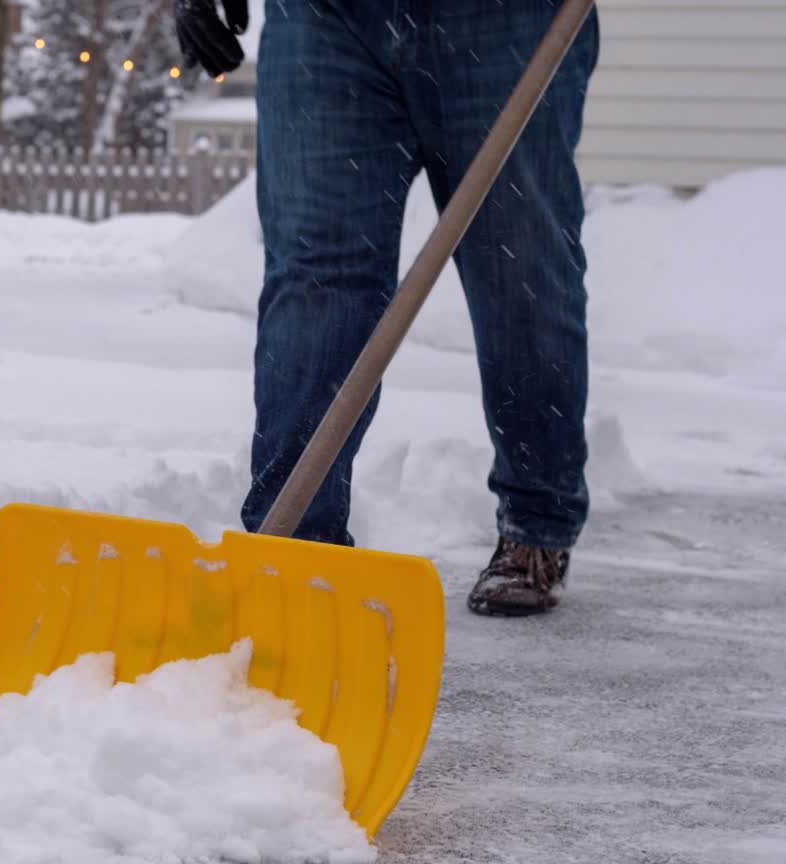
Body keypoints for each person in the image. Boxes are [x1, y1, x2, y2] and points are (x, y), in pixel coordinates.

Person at [174, 0, 600, 616]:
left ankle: (538, 522)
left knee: (519, 270)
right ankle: (294, 549)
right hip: (327, 17)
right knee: (319, 274)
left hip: (508, 18)